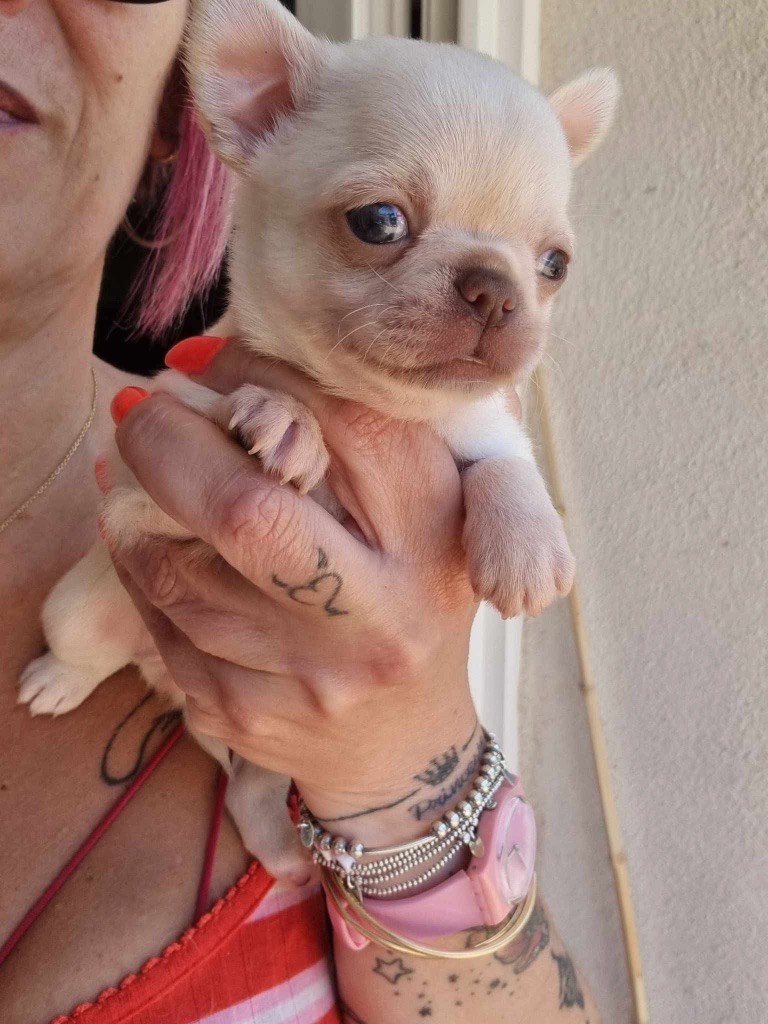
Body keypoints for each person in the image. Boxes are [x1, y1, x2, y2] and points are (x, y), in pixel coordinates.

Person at [0, 0, 602, 1021]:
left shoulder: (454, 420)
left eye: (546, 265)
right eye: (381, 223)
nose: (498, 296)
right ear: (249, 104)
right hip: (129, 631)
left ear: (170, 109)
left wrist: (406, 766)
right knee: (84, 627)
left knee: (253, 776)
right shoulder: (193, 407)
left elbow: (494, 447)